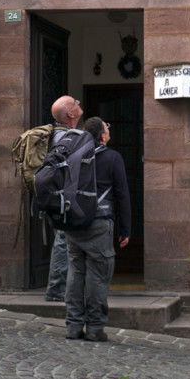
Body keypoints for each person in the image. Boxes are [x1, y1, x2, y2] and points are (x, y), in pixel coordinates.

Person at [64, 117, 131, 341]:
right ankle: (94, 328)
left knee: (75, 273)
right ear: (102, 136)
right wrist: (125, 228)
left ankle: (73, 326)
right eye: (107, 128)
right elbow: (122, 195)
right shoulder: (112, 157)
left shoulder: (71, 155)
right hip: (99, 222)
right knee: (98, 276)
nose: (108, 132)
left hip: (72, 223)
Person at [45, 95, 84, 302]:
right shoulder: (65, 137)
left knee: (64, 239)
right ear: (70, 113)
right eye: (76, 102)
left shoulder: (60, 135)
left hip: (59, 196)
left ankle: (62, 285)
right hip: (62, 197)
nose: (79, 104)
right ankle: (56, 288)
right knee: (62, 240)